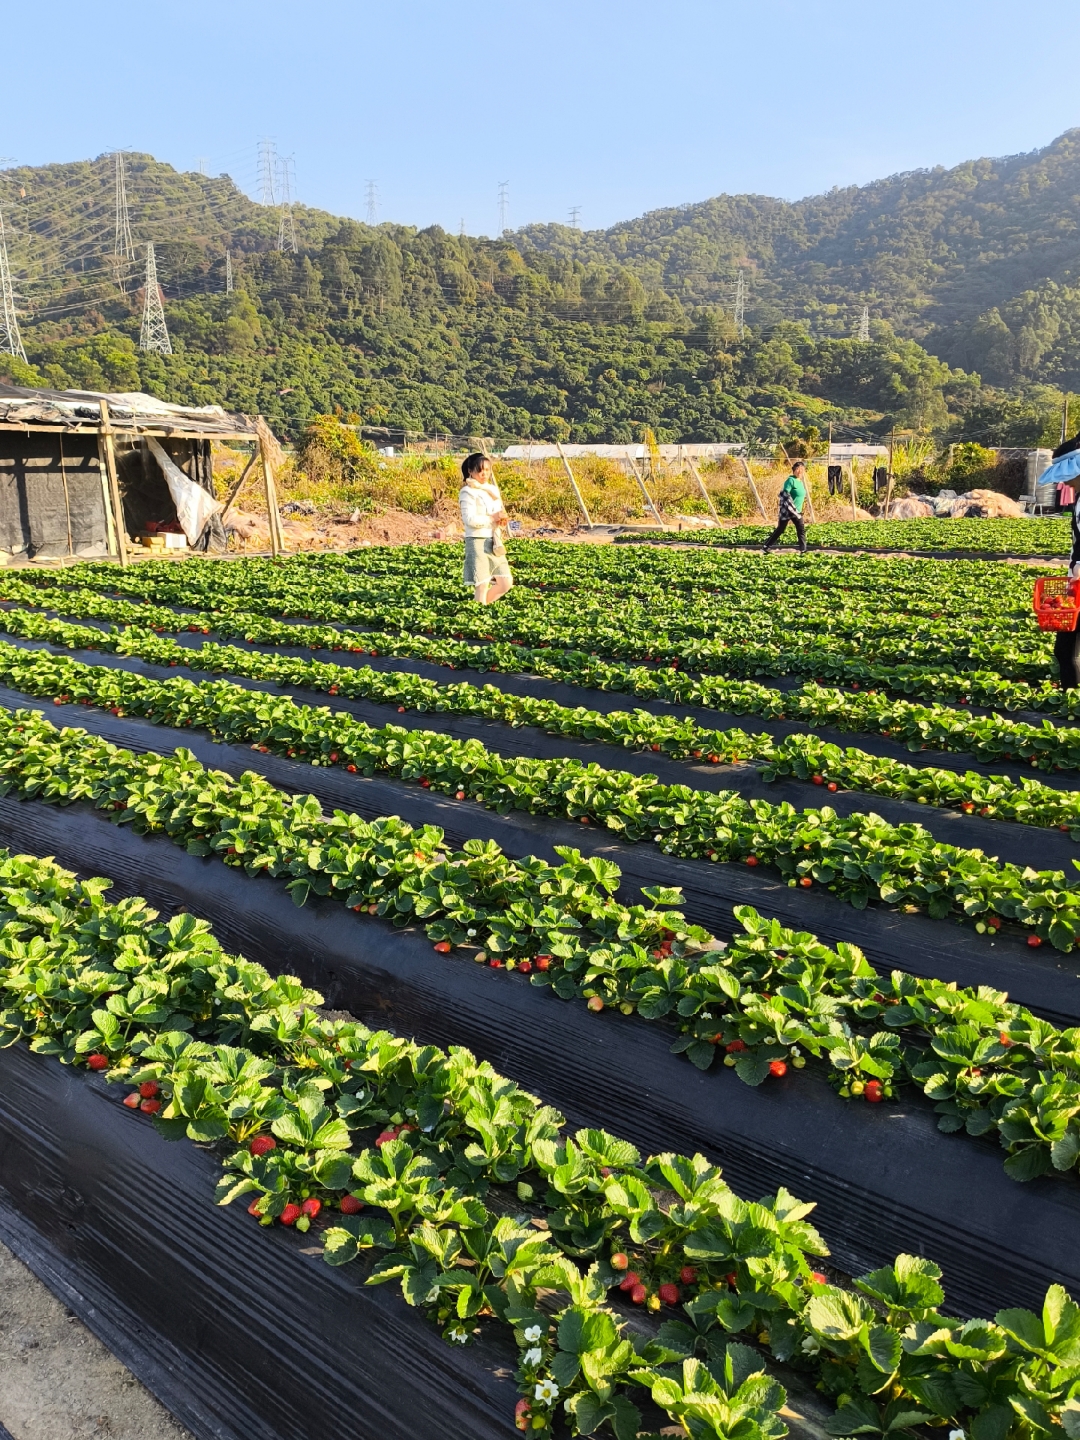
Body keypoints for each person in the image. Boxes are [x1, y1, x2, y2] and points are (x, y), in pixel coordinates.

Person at [459, 452, 513, 605]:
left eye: (487, 470)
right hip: (477, 541)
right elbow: (469, 520)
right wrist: (491, 518)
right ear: (470, 471)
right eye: (480, 470)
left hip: (494, 540)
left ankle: (479, 611)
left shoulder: (492, 491)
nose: (484, 474)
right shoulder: (467, 492)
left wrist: (500, 519)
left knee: (505, 583)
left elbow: (497, 512)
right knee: (482, 584)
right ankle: (478, 616)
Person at [763, 460, 808, 554]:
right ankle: (766, 546)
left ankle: (803, 550)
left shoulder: (800, 481)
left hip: (797, 510)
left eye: (802, 470)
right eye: (798, 470)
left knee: (801, 529)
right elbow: (784, 494)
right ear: (794, 470)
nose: (800, 472)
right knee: (781, 529)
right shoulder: (790, 480)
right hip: (788, 510)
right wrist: (792, 508)